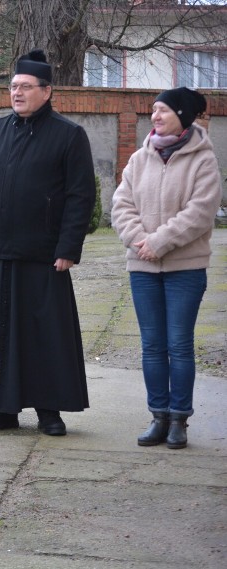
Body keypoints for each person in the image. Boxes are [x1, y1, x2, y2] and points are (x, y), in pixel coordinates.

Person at [0, 49, 96, 436]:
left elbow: (81, 196)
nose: (17, 93)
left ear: (47, 91)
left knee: (44, 335)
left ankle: (49, 410)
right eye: (13, 86)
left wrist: (68, 248)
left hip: (44, 255)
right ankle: (0, 408)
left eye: (25, 87)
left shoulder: (69, 135)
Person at [111, 87, 221, 450]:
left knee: (179, 344)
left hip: (184, 269)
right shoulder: (139, 159)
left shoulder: (203, 160)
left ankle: (179, 420)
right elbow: (121, 205)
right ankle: (158, 415)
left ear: (183, 114)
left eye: (163, 110)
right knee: (152, 345)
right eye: (153, 110)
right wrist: (139, 240)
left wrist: (158, 242)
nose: (155, 116)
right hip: (142, 268)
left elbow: (201, 212)